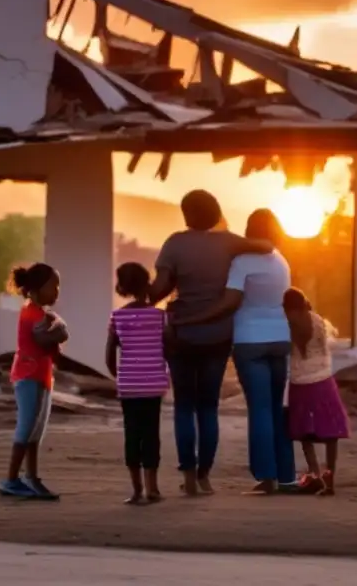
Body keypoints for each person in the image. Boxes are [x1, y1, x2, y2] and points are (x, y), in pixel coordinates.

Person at [147, 190, 273, 496]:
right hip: (217, 335)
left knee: (183, 407)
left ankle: (188, 478)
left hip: (181, 336)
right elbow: (267, 246)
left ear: (186, 214)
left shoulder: (174, 243)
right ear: (216, 212)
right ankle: (204, 477)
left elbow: (158, 291)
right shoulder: (228, 242)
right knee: (208, 407)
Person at [178, 208, 296, 495]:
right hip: (281, 338)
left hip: (250, 340)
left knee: (260, 409)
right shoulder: (281, 260)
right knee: (277, 410)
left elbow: (230, 301)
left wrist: (195, 317)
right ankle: (286, 476)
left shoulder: (242, 262)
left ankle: (266, 477)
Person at [0, 262, 67, 500]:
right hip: (28, 377)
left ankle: (31, 477)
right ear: (37, 288)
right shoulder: (32, 314)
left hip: (42, 376)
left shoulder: (41, 314)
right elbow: (46, 339)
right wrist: (61, 329)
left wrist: (57, 328)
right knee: (27, 427)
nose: (57, 291)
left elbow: (54, 347)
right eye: (53, 286)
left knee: (36, 430)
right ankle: (11, 479)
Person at [105, 263, 169, 504]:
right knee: (151, 434)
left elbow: (110, 352)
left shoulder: (118, 316)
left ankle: (136, 490)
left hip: (129, 386)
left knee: (132, 434)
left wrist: (119, 375)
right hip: (153, 384)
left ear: (122, 287)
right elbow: (169, 347)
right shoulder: (159, 316)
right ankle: (153, 488)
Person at [283, 288, 350, 496]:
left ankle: (315, 475)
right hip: (323, 381)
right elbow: (325, 347)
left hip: (300, 382)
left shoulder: (286, 327)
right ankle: (330, 481)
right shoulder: (318, 322)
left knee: (305, 433)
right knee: (331, 433)